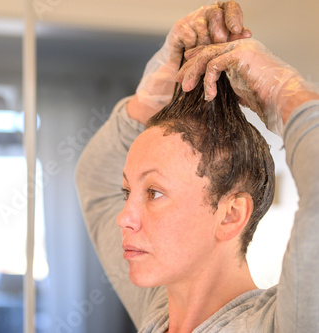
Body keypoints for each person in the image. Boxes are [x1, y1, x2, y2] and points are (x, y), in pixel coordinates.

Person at [75, 2, 319, 332]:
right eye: (127, 191)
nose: (124, 217)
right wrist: (153, 94)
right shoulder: (160, 311)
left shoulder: (281, 324)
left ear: (231, 214)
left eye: (153, 192)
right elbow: (96, 181)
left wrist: (282, 91)